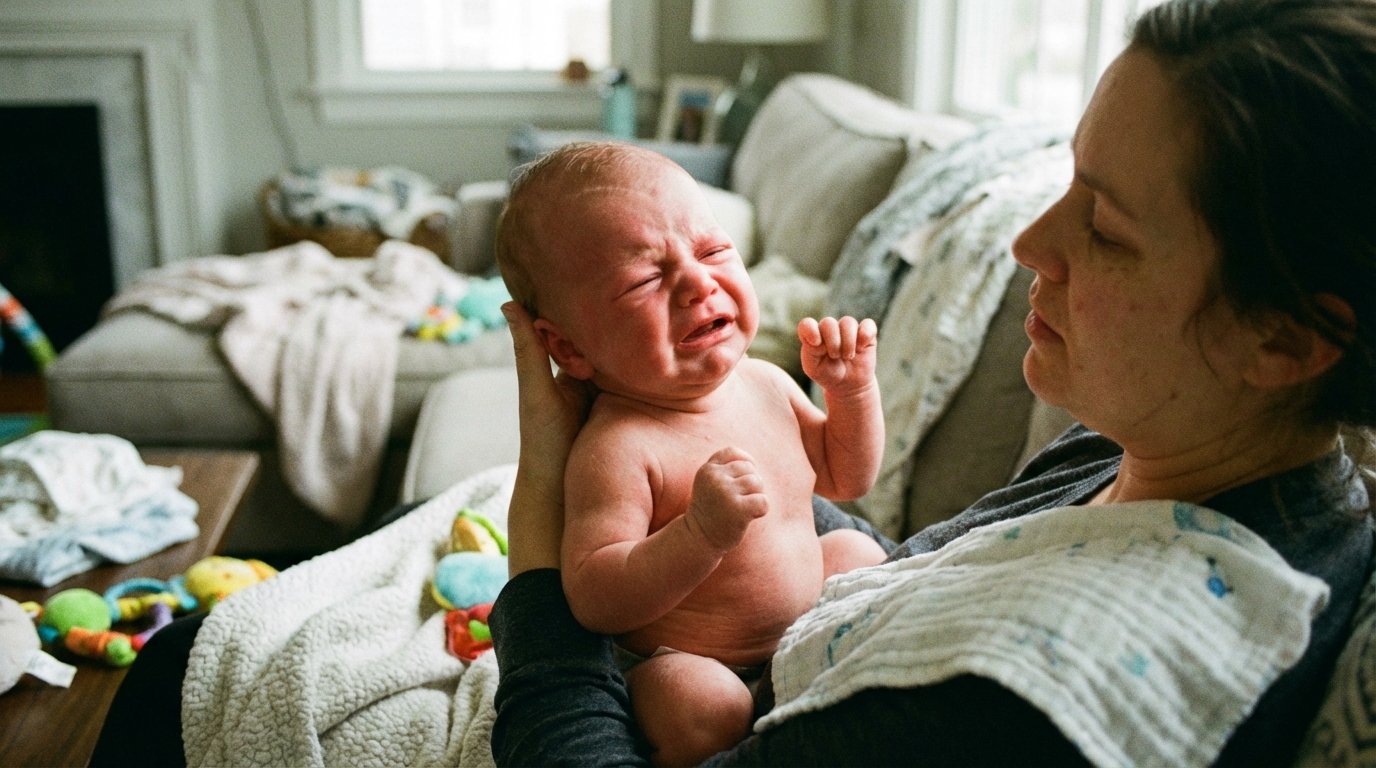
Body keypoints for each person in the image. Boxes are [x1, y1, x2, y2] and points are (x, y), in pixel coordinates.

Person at [488, 0, 1376, 765]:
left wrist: (538, 527)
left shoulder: (1028, 700)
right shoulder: (1137, 446)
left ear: (1283, 341)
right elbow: (831, 520)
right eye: (1068, 179)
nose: (1029, 242)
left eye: (1103, 226)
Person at [493, 141, 889, 765]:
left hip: (803, 624)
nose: (699, 283)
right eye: (646, 279)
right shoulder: (619, 446)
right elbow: (595, 596)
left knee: (857, 552)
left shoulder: (767, 383)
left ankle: (827, 705)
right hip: (696, 660)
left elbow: (845, 476)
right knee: (697, 703)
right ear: (568, 350)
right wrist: (699, 533)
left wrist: (853, 392)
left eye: (711, 250)